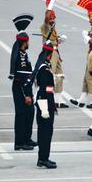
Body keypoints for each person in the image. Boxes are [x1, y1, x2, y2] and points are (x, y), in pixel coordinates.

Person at [9, 14, 36, 151]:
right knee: (21, 115)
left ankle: (27, 138)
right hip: (21, 88)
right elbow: (20, 78)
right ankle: (19, 142)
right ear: (24, 42)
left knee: (30, 112)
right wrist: (26, 95)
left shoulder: (24, 54)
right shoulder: (20, 56)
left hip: (26, 87)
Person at [32, 41, 57, 169]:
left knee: (45, 132)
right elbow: (43, 91)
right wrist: (44, 109)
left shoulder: (42, 64)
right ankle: (43, 159)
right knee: (45, 133)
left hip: (47, 102)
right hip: (44, 104)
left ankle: (43, 158)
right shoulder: (44, 68)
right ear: (50, 54)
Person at [40, 0, 68, 108]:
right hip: (49, 53)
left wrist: (59, 40)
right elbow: (46, 18)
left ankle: (58, 100)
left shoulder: (53, 28)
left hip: (56, 53)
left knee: (60, 76)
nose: (52, 20)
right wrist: (50, 4)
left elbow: (54, 40)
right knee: (49, 77)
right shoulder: (45, 27)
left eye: (53, 19)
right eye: (51, 19)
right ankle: (48, 99)